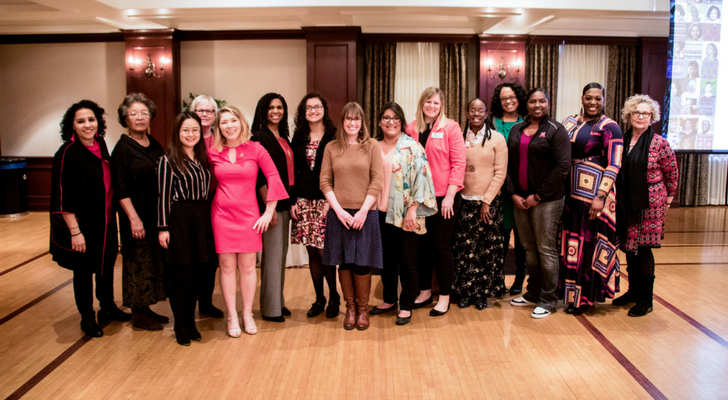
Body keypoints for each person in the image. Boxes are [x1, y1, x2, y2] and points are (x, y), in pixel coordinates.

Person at [50, 100, 131, 338]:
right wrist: (75, 232)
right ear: (72, 126)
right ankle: (87, 316)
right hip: (82, 225)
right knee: (84, 271)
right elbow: (62, 196)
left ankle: (107, 306)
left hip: (105, 220)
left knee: (106, 266)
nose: (87, 125)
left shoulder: (100, 144)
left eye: (91, 119)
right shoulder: (67, 153)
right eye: (81, 121)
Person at [208, 105, 288, 336]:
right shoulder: (213, 152)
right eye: (224, 122)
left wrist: (268, 211)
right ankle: (232, 316)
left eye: (233, 120)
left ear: (241, 122)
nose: (229, 126)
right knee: (227, 267)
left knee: (248, 267)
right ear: (219, 127)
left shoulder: (256, 148)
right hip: (221, 216)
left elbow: (274, 177)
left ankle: (247, 313)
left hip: (249, 216)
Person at [559, 83, 624, 315]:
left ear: (603, 100)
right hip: (570, 194)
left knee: (589, 242)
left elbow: (615, 163)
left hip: (595, 197)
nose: (593, 102)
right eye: (589, 98)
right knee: (572, 242)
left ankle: (585, 297)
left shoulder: (610, 127)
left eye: (598, 98)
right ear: (582, 98)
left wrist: (600, 196)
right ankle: (569, 294)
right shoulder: (569, 121)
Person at [370, 102, 437, 325]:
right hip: (377, 213)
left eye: (395, 118)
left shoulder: (413, 147)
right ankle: (389, 299)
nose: (390, 122)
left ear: (402, 122)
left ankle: (406, 303)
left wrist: (414, 211)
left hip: (406, 214)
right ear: (380, 121)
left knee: (407, 261)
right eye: (386, 117)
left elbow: (423, 180)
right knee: (385, 260)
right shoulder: (371, 146)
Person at [507, 88, 571, 319]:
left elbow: (562, 168)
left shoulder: (556, 130)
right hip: (520, 199)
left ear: (548, 103)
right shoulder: (516, 129)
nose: (537, 105)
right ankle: (532, 293)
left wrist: (538, 196)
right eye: (532, 101)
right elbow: (508, 164)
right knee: (528, 249)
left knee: (545, 249)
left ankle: (548, 299)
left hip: (547, 200)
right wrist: (513, 193)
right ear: (527, 104)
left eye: (541, 101)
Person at [320, 102, 384, 330]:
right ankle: (350, 308)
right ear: (342, 121)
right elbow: (325, 181)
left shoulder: (372, 146)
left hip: (366, 213)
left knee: (362, 263)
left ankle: (363, 309)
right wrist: (338, 211)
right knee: (344, 262)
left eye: (357, 119)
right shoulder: (331, 148)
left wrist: (364, 211)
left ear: (362, 122)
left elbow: (377, 180)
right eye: (348, 118)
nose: (352, 123)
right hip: (339, 214)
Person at [614, 95, 678, 317]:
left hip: (650, 206)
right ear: (629, 115)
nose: (641, 117)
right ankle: (632, 292)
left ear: (652, 117)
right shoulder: (621, 140)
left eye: (645, 114)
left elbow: (672, 174)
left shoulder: (660, 143)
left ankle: (646, 299)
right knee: (629, 247)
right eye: (636, 113)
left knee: (643, 249)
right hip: (626, 203)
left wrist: (668, 200)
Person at [405, 87, 466, 316]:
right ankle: (424, 291)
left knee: (441, 247)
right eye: (428, 102)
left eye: (436, 103)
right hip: (417, 198)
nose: (432, 106)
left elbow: (459, 164)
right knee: (421, 247)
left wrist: (450, 196)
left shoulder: (451, 128)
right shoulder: (411, 128)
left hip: (443, 197)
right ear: (422, 104)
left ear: (442, 106)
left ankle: (444, 297)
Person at [157, 112, 214, 346]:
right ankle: (180, 324)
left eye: (194, 130)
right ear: (177, 133)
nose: (190, 134)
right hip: (179, 220)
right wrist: (163, 228)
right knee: (181, 277)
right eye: (185, 130)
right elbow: (162, 197)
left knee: (197, 276)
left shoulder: (203, 158)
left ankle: (191, 322)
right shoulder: (168, 160)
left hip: (201, 218)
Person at [111, 93, 167, 331]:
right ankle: (137, 314)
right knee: (137, 264)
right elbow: (120, 188)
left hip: (155, 215)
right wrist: (134, 219)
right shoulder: (122, 148)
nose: (139, 118)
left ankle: (146, 307)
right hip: (136, 216)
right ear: (125, 119)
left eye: (144, 113)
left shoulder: (153, 143)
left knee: (152, 262)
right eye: (133, 114)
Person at [452, 98, 508, 310]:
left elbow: (500, 173)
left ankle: (483, 294)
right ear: (467, 113)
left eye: (480, 110)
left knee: (486, 250)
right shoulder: (458, 138)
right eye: (472, 110)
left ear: (486, 114)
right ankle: (466, 292)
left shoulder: (497, 139)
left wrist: (486, 201)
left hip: (488, 203)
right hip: (463, 201)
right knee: (465, 250)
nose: (476, 113)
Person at [290, 93, 340, 318]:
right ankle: (319, 299)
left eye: (317, 107)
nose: (313, 111)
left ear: (324, 109)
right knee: (311, 252)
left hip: (326, 200)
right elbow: (293, 171)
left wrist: (333, 199)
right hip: (303, 200)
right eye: (309, 107)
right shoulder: (298, 136)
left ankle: (334, 297)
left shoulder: (333, 135)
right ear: (303, 111)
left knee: (324, 252)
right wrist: (293, 200)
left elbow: (339, 169)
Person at [251, 93, 295, 322]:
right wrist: (269, 209)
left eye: (280, 107)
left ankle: (278, 301)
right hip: (272, 205)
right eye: (271, 107)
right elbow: (258, 176)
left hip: (285, 204)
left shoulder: (283, 137)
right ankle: (270, 309)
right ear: (263, 110)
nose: (276, 111)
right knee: (272, 258)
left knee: (281, 257)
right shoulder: (259, 137)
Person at [489, 82, 529, 295]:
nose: (509, 101)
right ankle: (498, 279)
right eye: (504, 98)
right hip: (497, 189)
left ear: (519, 97)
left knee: (522, 238)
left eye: (512, 96)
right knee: (499, 238)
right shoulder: (491, 122)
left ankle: (519, 280)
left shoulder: (529, 122)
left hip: (521, 187)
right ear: (499, 101)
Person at [188, 95, 224, 318]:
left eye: (209, 111)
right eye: (200, 110)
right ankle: (190, 302)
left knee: (211, 256)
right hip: (193, 204)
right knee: (193, 255)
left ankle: (206, 301)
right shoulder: (187, 137)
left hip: (217, 202)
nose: (204, 114)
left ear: (215, 115)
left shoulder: (220, 138)